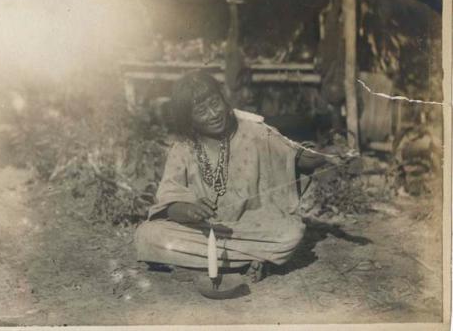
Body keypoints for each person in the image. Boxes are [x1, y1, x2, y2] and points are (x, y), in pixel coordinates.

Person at [135, 70, 339, 282]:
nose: (214, 114)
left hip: (252, 227)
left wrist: (326, 156)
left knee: (290, 234)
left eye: (215, 103)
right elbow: (169, 204)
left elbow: (296, 156)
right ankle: (247, 262)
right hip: (203, 231)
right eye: (201, 110)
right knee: (147, 235)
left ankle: (200, 263)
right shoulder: (183, 148)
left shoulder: (255, 132)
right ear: (189, 119)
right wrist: (188, 209)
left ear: (223, 99)